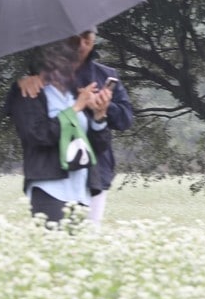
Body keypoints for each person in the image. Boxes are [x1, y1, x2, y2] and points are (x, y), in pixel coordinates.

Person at [17, 29, 133, 228]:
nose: (81, 45)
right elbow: (37, 131)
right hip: (51, 175)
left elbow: (125, 120)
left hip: (94, 174)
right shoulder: (36, 84)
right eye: (75, 39)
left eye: (87, 39)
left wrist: (102, 108)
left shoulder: (105, 75)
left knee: (86, 242)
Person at [4, 38, 112, 227]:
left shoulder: (75, 94)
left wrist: (99, 115)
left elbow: (98, 146)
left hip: (81, 191)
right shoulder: (29, 93)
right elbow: (38, 135)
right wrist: (76, 108)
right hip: (50, 189)